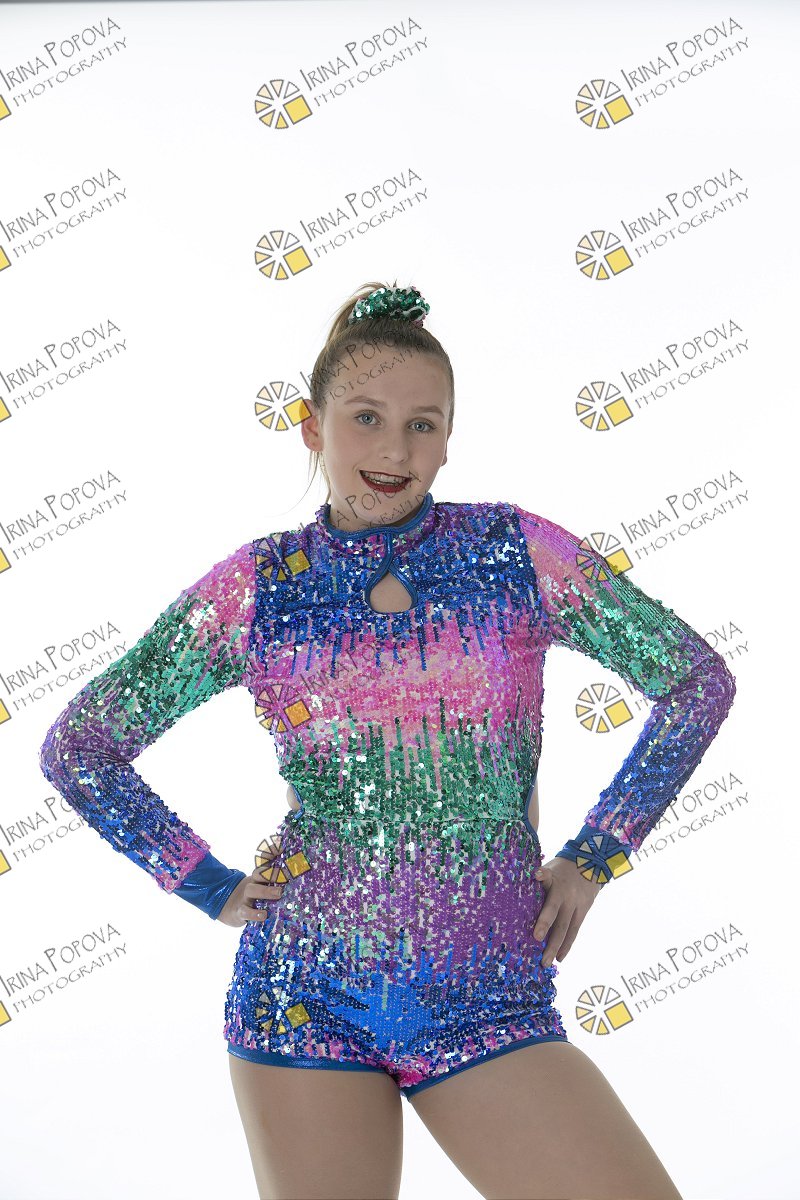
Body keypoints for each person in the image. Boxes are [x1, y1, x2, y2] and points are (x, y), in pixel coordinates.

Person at [38, 282, 736, 1200]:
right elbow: (80, 747)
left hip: (486, 992)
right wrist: (207, 884)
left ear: (449, 439)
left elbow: (696, 681)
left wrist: (596, 854)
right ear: (312, 427)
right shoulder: (260, 587)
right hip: (302, 994)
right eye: (365, 417)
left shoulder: (516, 553)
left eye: (422, 425)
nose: (394, 450)